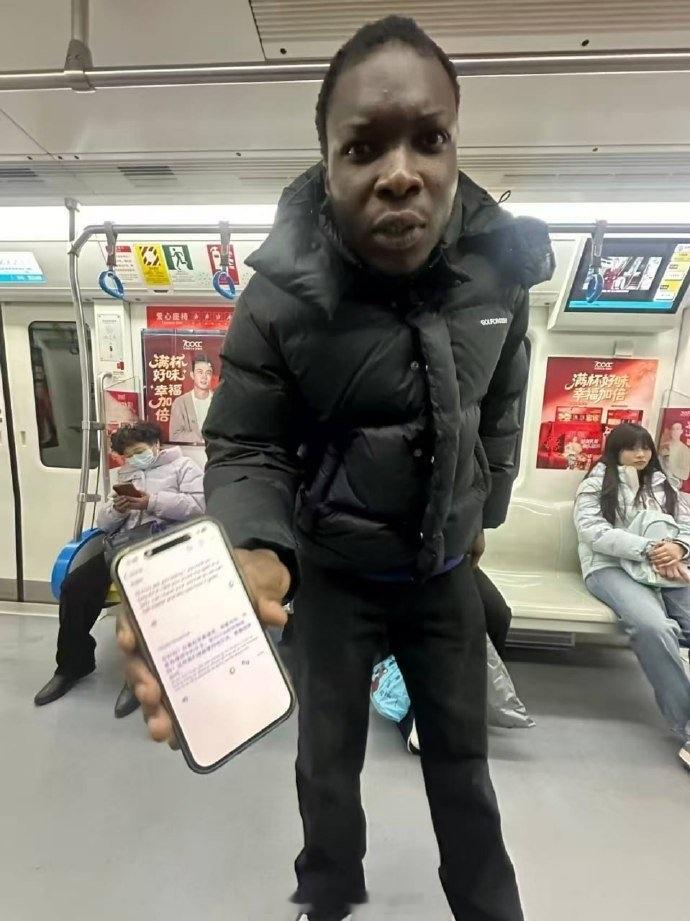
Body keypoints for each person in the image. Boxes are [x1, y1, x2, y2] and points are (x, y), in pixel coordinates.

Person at [119, 16, 554, 921]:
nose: (401, 172)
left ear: (454, 145)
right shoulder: (280, 298)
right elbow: (247, 443)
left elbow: (501, 405)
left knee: (464, 766)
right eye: (363, 148)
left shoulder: (498, 273)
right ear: (327, 164)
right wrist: (256, 550)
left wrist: (484, 514)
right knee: (326, 762)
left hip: (441, 573)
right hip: (333, 575)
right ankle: (328, 892)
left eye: (429, 139)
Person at [35, 422, 204, 714]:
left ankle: (140, 675)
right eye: (128, 455)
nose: (134, 459)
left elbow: (199, 508)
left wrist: (151, 502)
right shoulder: (125, 474)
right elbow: (103, 524)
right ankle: (73, 665)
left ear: (156, 445)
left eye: (139, 452)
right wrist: (117, 510)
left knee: (143, 593)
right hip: (123, 545)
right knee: (74, 587)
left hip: (163, 544)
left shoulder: (184, 468)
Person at [574, 423, 690, 769]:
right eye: (631, 448)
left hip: (666, 565)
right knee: (654, 627)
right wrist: (650, 549)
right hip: (609, 567)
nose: (640, 455)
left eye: (645, 448)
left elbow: (686, 524)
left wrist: (678, 547)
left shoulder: (665, 484)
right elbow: (593, 532)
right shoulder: (596, 484)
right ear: (615, 451)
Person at [398, 564, 514, 753]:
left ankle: (468, 702)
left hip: (454, 560)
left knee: (497, 614)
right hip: (400, 565)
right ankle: (414, 713)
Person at [169, 353, 215, 443]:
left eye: (208, 373)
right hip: (190, 451)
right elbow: (174, 436)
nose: (204, 377)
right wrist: (201, 436)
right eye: (200, 372)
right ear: (192, 375)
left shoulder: (220, 401)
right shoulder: (180, 403)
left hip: (216, 451)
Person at [660, 420, 690, 488]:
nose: (674, 431)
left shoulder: (685, 450)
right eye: (673, 429)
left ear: (681, 431)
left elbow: (685, 475)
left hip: (674, 485)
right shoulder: (663, 445)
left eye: (677, 429)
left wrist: (670, 466)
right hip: (659, 482)